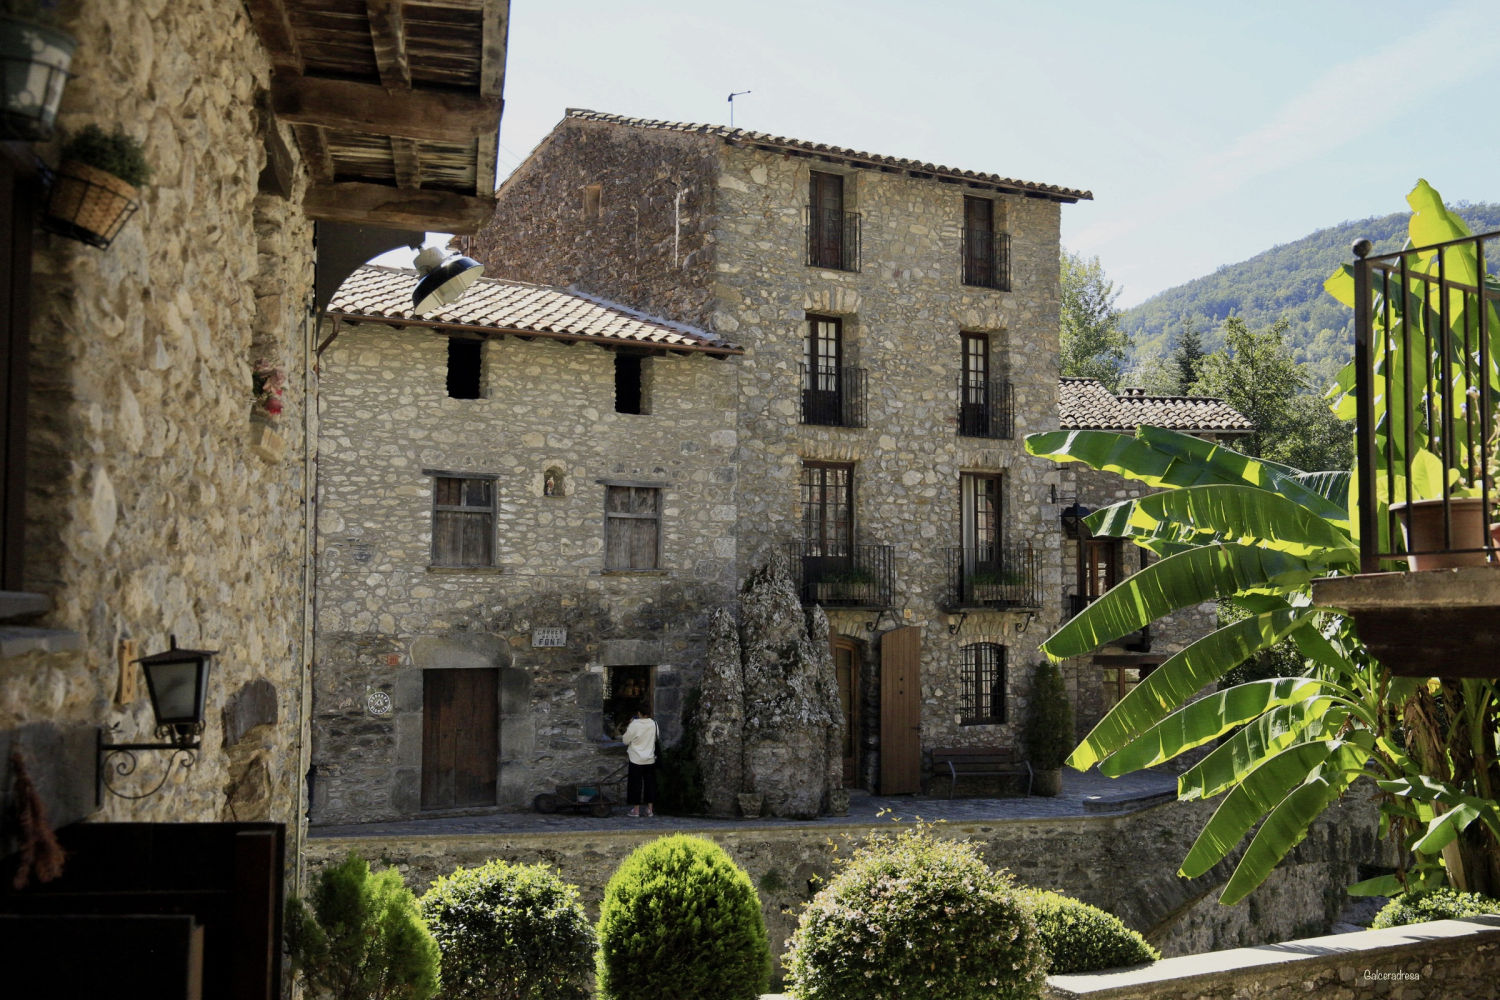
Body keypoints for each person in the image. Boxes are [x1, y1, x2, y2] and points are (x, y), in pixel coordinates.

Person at [621, 703, 658, 818]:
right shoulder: (654, 724)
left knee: (635, 785)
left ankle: (636, 810)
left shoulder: (635, 724)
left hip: (636, 759)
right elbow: (657, 737)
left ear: (639, 713)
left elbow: (625, 740)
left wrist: (630, 724)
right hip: (650, 759)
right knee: (650, 785)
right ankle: (650, 809)